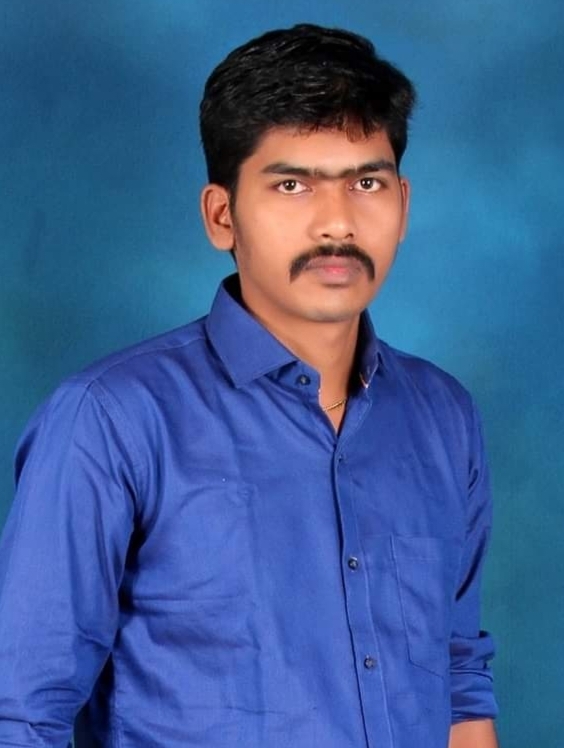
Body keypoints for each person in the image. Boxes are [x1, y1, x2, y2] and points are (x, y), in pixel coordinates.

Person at [0, 23, 498, 748]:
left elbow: (458, 676)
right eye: (292, 185)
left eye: (366, 183)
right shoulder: (110, 420)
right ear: (221, 215)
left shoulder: (442, 416)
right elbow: (20, 713)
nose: (337, 223)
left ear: (403, 204)